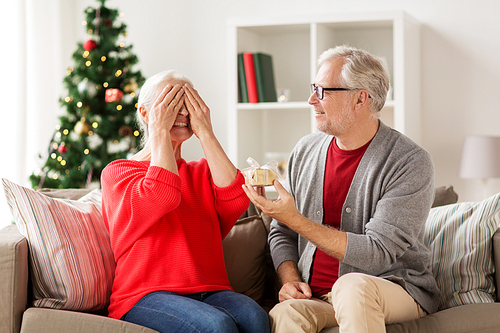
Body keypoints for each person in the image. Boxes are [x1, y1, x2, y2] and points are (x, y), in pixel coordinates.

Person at [242, 46, 440, 333]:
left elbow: (377, 253)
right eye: (314, 89)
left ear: (361, 98)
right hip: (318, 295)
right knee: (286, 314)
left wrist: (294, 218)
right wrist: (288, 279)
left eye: (323, 91)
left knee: (352, 286)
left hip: (394, 288)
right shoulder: (305, 150)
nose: (311, 100)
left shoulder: (409, 161)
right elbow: (282, 231)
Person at [101, 70, 270, 333]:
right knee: (218, 326)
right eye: (170, 104)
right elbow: (162, 194)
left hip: (210, 290)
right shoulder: (119, 172)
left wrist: (205, 131)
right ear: (145, 114)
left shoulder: (201, 171)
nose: (181, 113)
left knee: (255, 317)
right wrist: (158, 130)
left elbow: (236, 198)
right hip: (144, 296)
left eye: (188, 105)